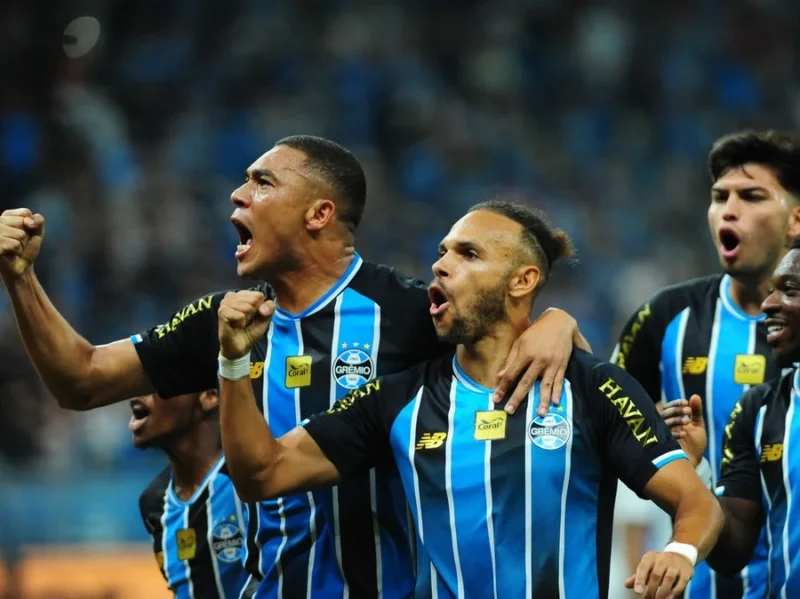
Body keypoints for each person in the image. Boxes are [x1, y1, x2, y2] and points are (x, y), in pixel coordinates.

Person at [0, 135, 589, 598]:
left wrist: (558, 322)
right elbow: (80, 379)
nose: (237, 195)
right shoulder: (225, 324)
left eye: (262, 182)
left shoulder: (407, 313)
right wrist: (20, 277)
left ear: (319, 213)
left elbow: (539, 361)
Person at [217, 199, 723, 599]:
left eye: (469, 254)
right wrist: (234, 363)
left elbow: (697, 503)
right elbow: (262, 474)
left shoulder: (593, 387)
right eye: (442, 252)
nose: (441, 265)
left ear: (523, 281)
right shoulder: (399, 400)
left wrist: (679, 551)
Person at [610, 129, 800, 599]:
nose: (729, 210)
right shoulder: (665, 317)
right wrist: (557, 328)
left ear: (796, 218)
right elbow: (602, 422)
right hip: (703, 574)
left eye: (751, 196)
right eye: (719, 197)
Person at [662, 238, 800, 598]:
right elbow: (731, 554)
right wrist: (695, 471)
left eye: (789, 290)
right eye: (771, 290)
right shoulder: (759, 410)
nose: (769, 304)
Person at [134, 388, 252, 599]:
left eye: (156, 381)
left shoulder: (251, 475)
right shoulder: (154, 502)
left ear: (210, 395)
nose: (136, 395)